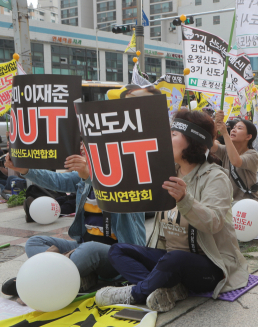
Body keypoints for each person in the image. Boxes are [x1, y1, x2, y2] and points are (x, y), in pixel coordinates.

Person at [95, 109, 249, 312]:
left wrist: (185, 199)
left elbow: (213, 223)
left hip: (211, 266)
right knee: (118, 250)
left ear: (193, 140)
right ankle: (164, 289)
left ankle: (135, 294)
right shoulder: (166, 172)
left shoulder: (215, 177)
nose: (166, 138)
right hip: (171, 259)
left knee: (175, 259)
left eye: (173, 134)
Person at [0, 151, 146, 296]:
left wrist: (90, 176)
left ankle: (38, 280)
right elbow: (56, 180)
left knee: (90, 249)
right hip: (81, 247)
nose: (83, 148)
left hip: (117, 255)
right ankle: (72, 274)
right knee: (34, 242)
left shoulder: (130, 178)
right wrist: (25, 170)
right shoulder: (83, 176)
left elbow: (112, 190)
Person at [211, 111, 258, 203]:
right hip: (229, 203)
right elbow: (210, 146)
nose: (233, 130)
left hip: (248, 203)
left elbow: (236, 161)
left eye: (239, 128)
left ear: (248, 136)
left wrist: (225, 134)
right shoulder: (226, 150)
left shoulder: (253, 155)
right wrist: (215, 124)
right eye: (233, 128)